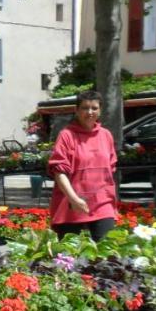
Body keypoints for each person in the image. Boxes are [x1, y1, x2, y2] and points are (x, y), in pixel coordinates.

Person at [48, 89, 117, 240]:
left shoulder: (106, 135)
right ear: (76, 110)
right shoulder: (66, 135)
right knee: (68, 257)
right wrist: (74, 199)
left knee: (108, 253)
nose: (90, 112)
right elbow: (59, 171)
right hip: (71, 204)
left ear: (100, 110)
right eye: (85, 108)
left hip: (102, 204)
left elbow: (110, 170)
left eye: (94, 108)